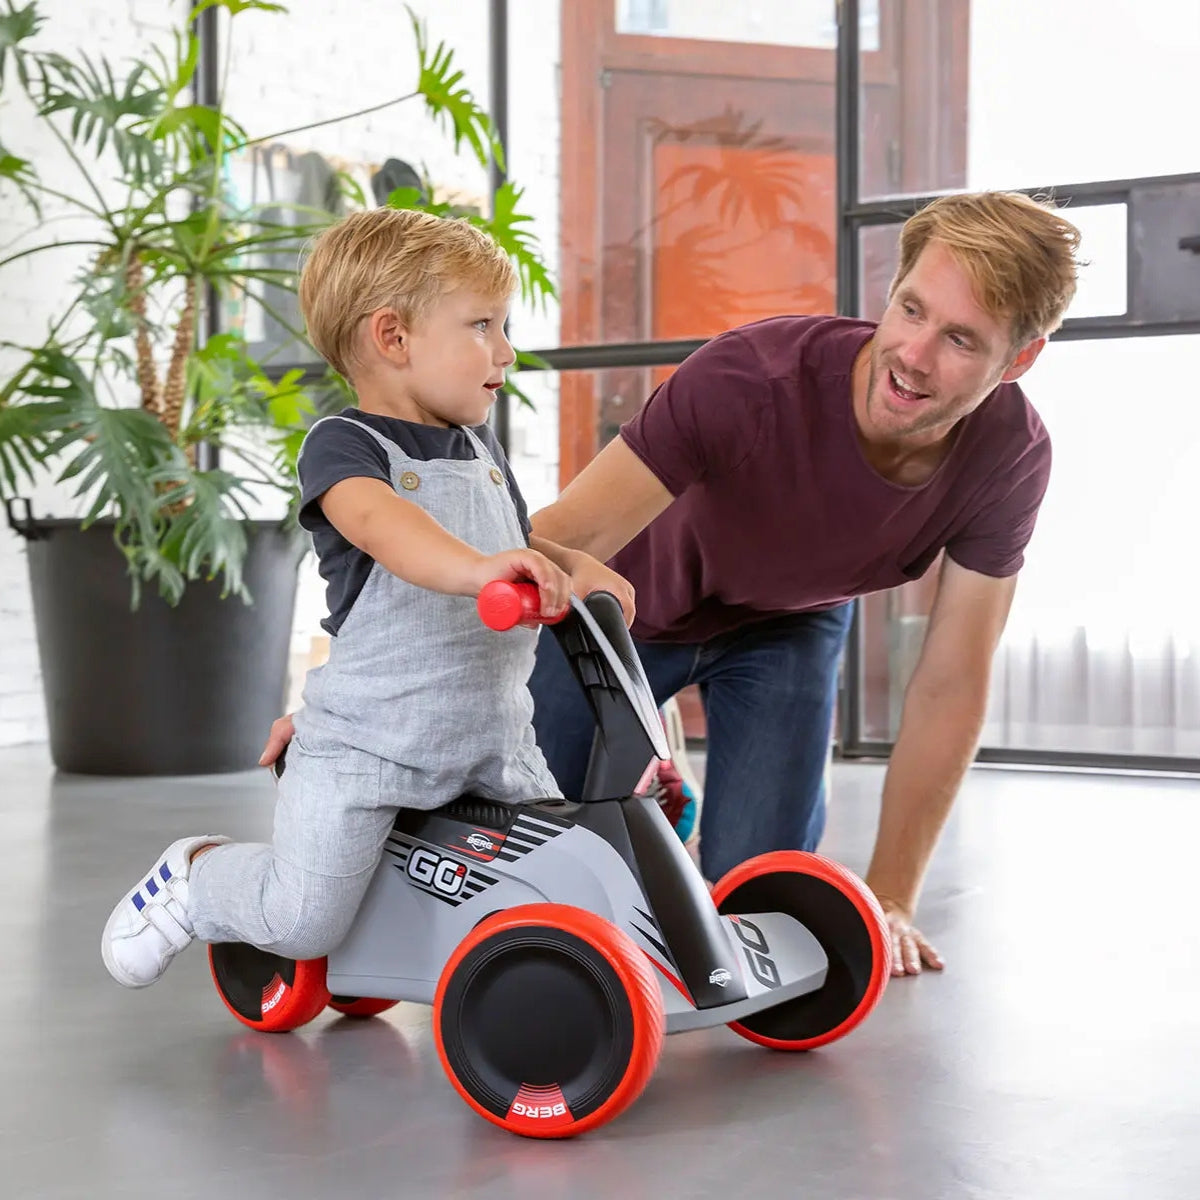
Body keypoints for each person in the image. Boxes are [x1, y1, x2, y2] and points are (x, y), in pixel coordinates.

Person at [260, 190, 1082, 979]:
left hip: (786, 626)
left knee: (755, 905)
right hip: (621, 613)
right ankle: (645, 790)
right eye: (910, 309)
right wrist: (363, 703)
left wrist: (893, 897)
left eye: (961, 339)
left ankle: (660, 801)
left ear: (1019, 358)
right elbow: (557, 539)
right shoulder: (749, 380)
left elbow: (952, 679)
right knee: (520, 853)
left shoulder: (1008, 459)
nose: (914, 354)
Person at [101, 208, 623, 989]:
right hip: (367, 749)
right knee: (303, 919)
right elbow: (389, 529)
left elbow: (517, 540)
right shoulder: (344, 448)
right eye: (483, 325)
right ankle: (196, 878)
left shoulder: (481, 451)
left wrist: (578, 568)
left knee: (571, 872)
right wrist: (481, 571)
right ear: (393, 337)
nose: (506, 352)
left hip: (494, 741)